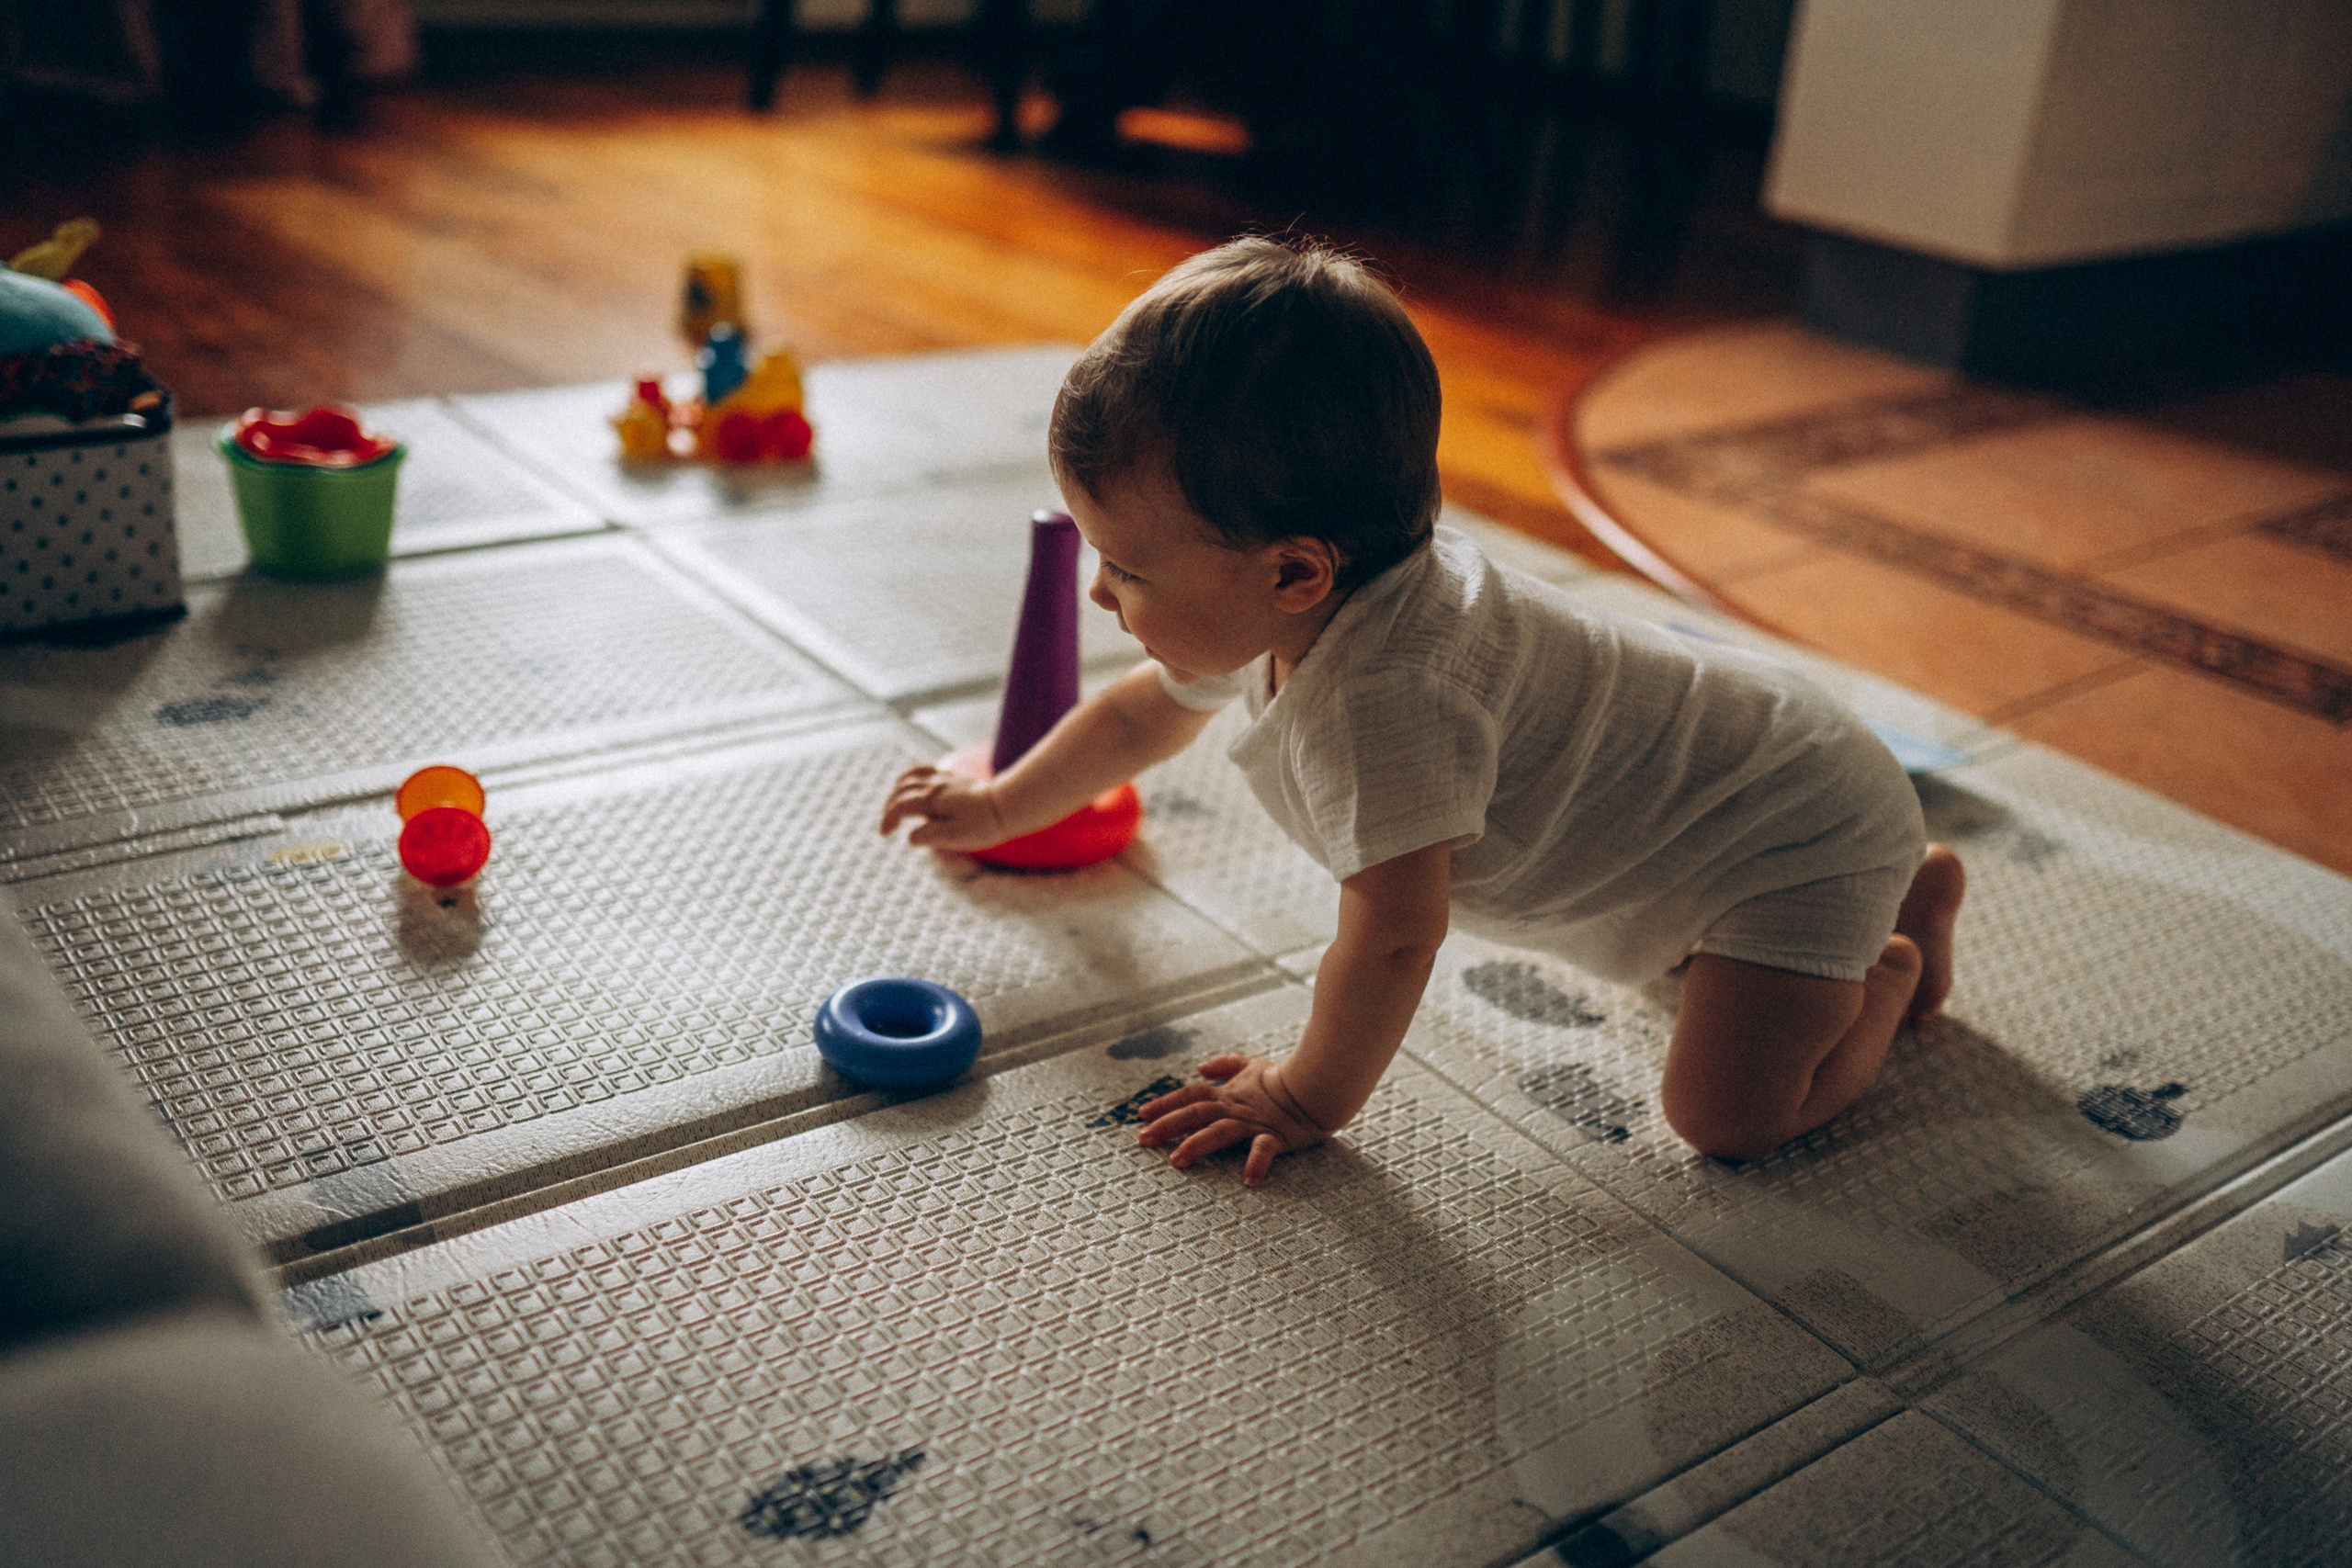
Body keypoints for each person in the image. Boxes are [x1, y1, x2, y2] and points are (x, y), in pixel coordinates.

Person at [878, 236, 1965, 1179]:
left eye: (1127, 570)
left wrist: (1304, 1097)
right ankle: (1894, 890)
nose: (1098, 594)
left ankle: (1883, 966)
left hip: (1787, 831)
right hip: (1731, 792)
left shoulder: (1390, 696)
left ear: (1296, 573)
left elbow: (1397, 934)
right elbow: (1134, 720)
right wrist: (999, 805)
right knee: (1699, 985)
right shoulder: (1290, 597)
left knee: (1725, 1120)